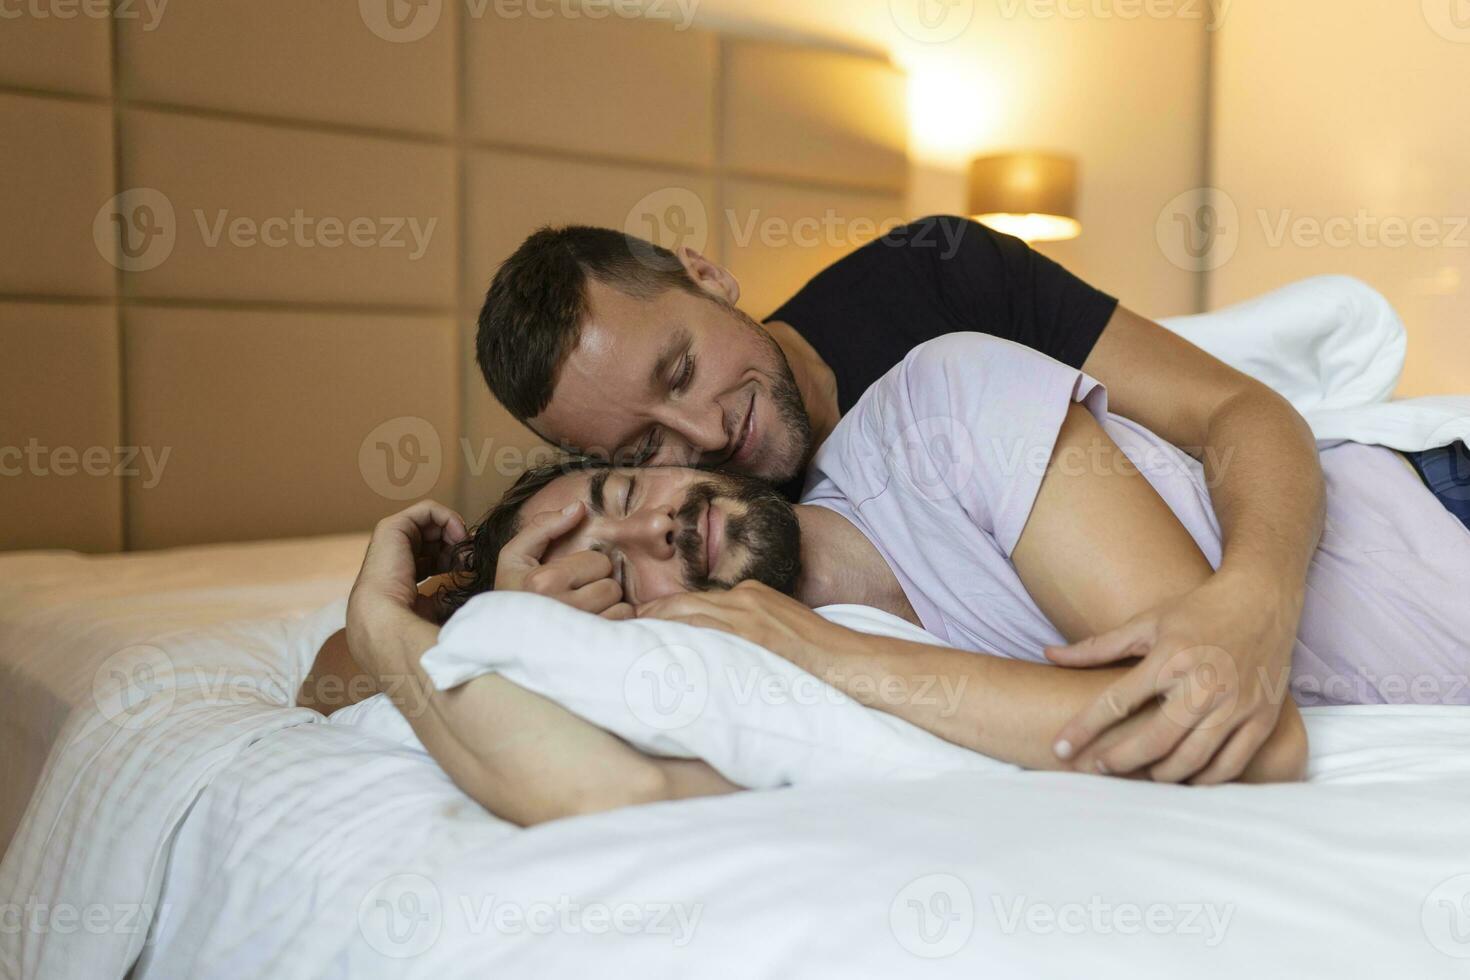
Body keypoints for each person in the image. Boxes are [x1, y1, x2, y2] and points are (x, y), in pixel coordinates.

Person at [312, 335, 1470, 820]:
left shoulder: (936, 410)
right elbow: (581, 783)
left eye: (623, 495)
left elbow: (1242, 734)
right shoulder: (760, 687)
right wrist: (382, 616)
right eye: (608, 586)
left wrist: (824, 648)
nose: (655, 536)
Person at [472, 217, 1331, 780]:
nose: (701, 434)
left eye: (683, 370)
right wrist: (511, 625)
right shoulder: (717, 536)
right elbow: (363, 667)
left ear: (707, 275)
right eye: (642, 449)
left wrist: (1256, 591)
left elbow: (1235, 409)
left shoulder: (934, 301)